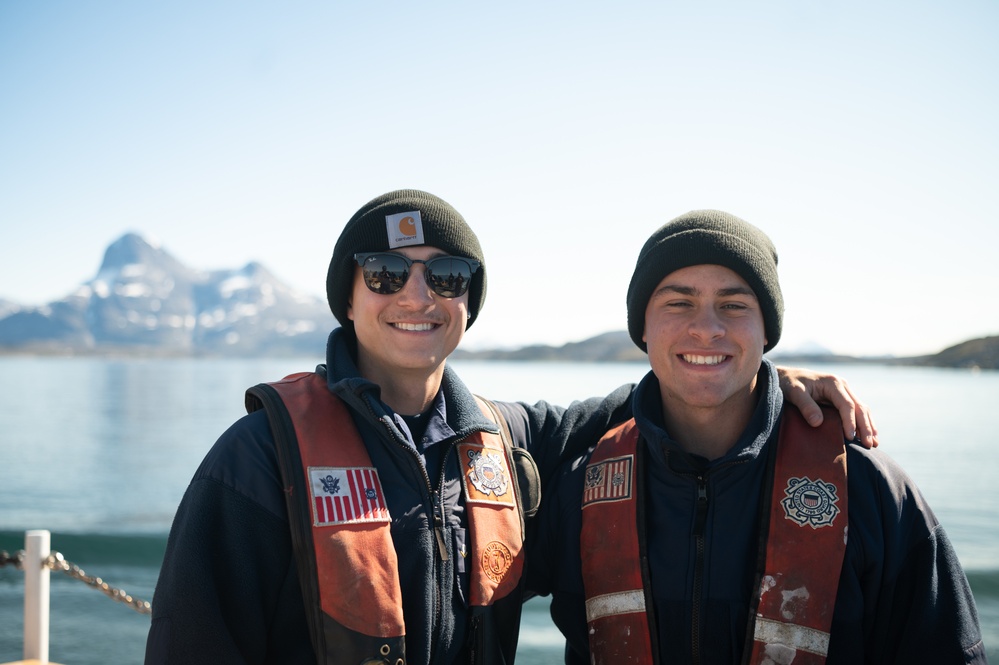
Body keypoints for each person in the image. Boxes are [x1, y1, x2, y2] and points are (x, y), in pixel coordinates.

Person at [144, 192, 876, 665]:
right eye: (386, 272)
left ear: (470, 301)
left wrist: (771, 380)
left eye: (448, 275)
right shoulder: (259, 459)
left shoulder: (503, 442)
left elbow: (671, 393)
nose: (418, 294)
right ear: (348, 296)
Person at [528, 209, 987, 664]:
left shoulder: (869, 491)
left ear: (767, 330)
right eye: (678, 302)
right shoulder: (574, 485)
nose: (707, 327)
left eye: (734, 305)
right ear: (641, 327)